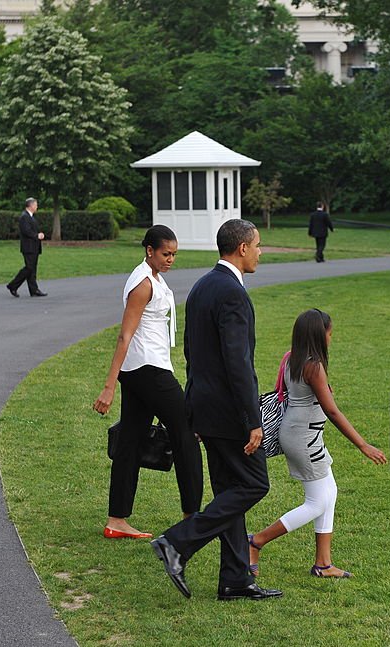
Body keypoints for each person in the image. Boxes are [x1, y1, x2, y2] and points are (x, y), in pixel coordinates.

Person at [150, 219, 281, 602]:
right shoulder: (232, 294)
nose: (260, 251)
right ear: (241, 248)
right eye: (257, 245)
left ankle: (235, 579)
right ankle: (177, 542)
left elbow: (194, 355)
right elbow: (237, 363)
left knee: (229, 491)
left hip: (204, 407)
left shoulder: (202, 286)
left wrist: (194, 410)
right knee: (255, 484)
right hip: (228, 412)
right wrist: (252, 420)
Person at [248, 309, 387, 578]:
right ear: (318, 335)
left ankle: (323, 563)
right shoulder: (313, 366)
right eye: (330, 333)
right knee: (316, 502)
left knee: (328, 493)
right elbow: (332, 411)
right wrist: (363, 445)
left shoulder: (292, 359)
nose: (331, 338)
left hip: (302, 434)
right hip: (305, 439)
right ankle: (256, 541)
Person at [93, 225, 203, 539]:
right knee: (186, 430)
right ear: (150, 250)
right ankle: (192, 516)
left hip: (144, 366)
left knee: (131, 440)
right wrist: (109, 386)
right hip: (147, 368)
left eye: (174, 254)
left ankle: (117, 521)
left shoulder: (154, 277)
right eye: (166, 253)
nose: (171, 259)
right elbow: (124, 335)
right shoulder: (143, 283)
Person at [6, 197, 47, 297]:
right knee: (29, 268)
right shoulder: (24, 217)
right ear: (31, 205)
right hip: (28, 247)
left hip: (34, 247)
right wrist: (36, 235)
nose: (37, 206)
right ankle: (13, 285)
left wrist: (38, 235)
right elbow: (26, 231)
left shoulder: (31, 217)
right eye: (36, 204)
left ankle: (34, 290)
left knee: (32, 269)